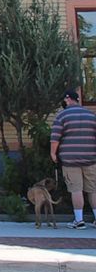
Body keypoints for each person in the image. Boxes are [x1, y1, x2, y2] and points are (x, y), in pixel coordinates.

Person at [51, 90, 96, 229]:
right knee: (93, 189)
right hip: (90, 158)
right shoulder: (91, 115)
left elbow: (55, 138)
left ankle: (79, 220)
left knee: (76, 189)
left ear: (68, 99)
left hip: (70, 159)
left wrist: (53, 153)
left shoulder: (62, 115)